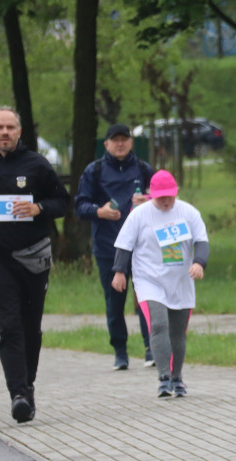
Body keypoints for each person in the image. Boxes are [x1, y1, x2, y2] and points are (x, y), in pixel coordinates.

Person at [0, 106, 71, 424]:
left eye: (10, 127)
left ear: (19, 132)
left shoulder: (36, 164)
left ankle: (28, 385)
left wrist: (37, 207)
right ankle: (18, 394)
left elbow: (62, 201)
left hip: (33, 256)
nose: (5, 133)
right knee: (9, 327)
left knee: (30, 328)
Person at [111, 170, 208, 398]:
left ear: (176, 193)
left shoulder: (189, 212)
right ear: (151, 195)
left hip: (181, 280)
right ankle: (163, 378)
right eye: (160, 197)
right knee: (159, 325)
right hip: (149, 280)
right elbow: (124, 245)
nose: (165, 201)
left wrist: (199, 263)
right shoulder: (139, 215)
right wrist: (119, 272)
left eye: (169, 197)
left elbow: (202, 241)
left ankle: (177, 379)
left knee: (178, 333)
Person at [75, 123, 156, 370]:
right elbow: (80, 206)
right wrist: (99, 211)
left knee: (146, 298)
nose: (120, 144)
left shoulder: (143, 168)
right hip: (107, 247)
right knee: (114, 301)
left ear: (131, 142)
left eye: (124, 139)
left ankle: (151, 349)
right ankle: (120, 352)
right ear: (106, 144)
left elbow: (164, 199)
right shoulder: (94, 170)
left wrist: (148, 201)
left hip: (142, 248)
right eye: (115, 140)